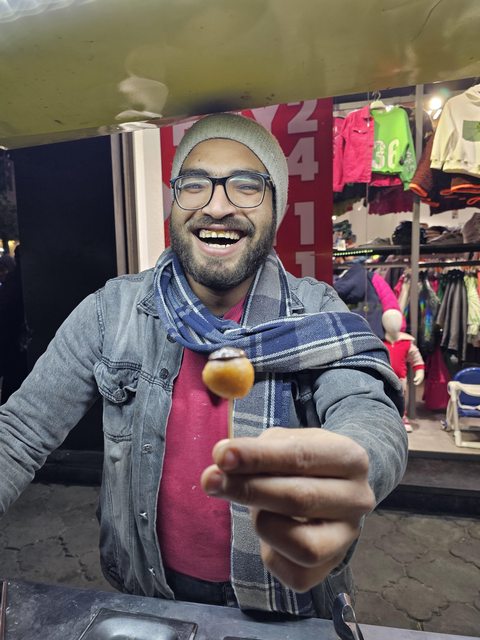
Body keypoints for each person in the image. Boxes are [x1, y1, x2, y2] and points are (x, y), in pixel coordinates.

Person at [0, 113, 407, 619]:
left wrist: (350, 464)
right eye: (194, 185)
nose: (217, 206)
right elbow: (19, 432)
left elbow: (368, 412)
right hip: (149, 594)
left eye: (246, 186)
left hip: (287, 604)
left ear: (276, 207)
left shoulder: (317, 313)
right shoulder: (112, 313)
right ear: (174, 202)